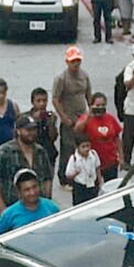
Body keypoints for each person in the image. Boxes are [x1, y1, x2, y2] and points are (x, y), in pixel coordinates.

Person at [0, 113, 53, 214]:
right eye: (28, 130)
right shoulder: (4, 152)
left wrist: (47, 201)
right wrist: (2, 209)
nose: (31, 133)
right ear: (18, 131)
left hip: (38, 208)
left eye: (34, 129)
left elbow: (48, 178)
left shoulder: (41, 151)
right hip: (12, 207)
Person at [53, 46, 91, 185]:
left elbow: (89, 96)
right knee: (68, 149)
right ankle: (64, 178)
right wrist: (64, 117)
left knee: (81, 148)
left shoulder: (84, 76)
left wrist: (89, 114)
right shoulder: (61, 79)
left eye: (78, 61)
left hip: (82, 119)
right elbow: (55, 99)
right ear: (67, 62)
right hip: (69, 119)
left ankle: (80, 174)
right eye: (73, 61)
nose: (75, 64)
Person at [0, 168, 61, 236]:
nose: (32, 192)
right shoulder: (9, 214)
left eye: (34, 187)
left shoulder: (51, 207)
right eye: (27, 190)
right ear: (19, 192)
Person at [75, 92, 122, 182]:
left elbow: (117, 138)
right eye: (97, 105)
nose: (100, 108)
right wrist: (89, 115)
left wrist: (121, 157)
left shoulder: (110, 118)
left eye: (103, 105)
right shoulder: (86, 118)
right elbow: (77, 130)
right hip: (92, 162)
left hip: (110, 161)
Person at [65, 134, 102, 204]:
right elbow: (68, 175)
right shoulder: (74, 159)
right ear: (77, 147)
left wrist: (99, 181)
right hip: (80, 187)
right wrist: (76, 173)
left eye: (88, 146)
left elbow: (97, 167)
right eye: (83, 147)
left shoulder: (93, 154)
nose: (86, 149)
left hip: (92, 184)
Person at [29, 87, 58, 171]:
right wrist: (34, 121)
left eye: (44, 100)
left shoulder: (49, 117)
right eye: (38, 101)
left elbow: (53, 137)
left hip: (48, 154)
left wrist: (51, 123)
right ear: (32, 102)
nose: (42, 104)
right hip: (32, 156)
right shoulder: (26, 117)